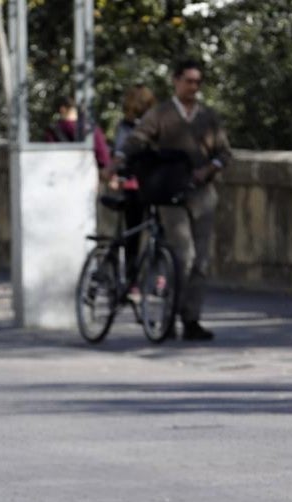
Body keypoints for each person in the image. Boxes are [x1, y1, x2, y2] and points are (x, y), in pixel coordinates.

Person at [124, 58, 232, 341]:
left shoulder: (208, 116)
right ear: (176, 81)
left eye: (198, 82)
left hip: (202, 193)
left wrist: (209, 169)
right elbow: (137, 139)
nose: (193, 87)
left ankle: (191, 318)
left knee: (202, 261)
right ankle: (170, 315)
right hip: (170, 193)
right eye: (189, 81)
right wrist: (122, 160)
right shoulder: (161, 114)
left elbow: (224, 153)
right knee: (183, 256)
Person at [44, 95, 113, 179]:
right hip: (85, 177)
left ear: (62, 109)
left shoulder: (52, 131)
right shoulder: (91, 130)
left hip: (59, 178)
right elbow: (103, 158)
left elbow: (49, 158)